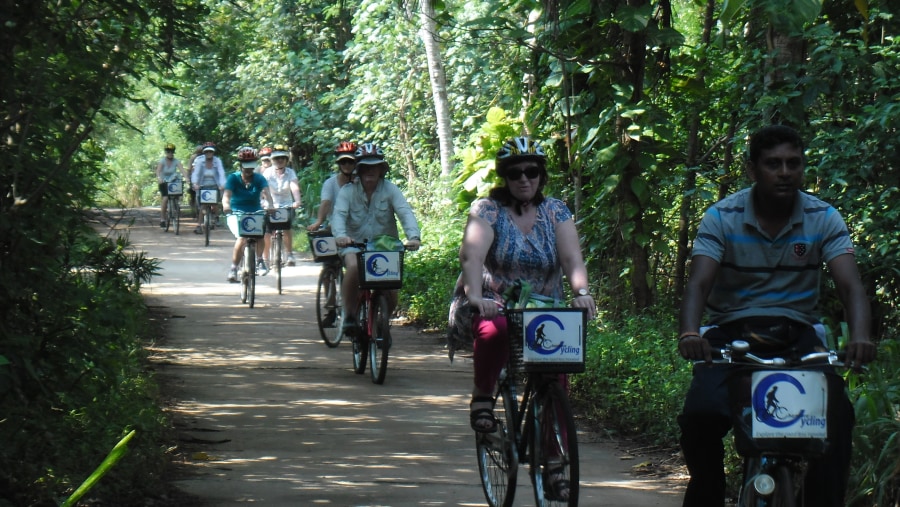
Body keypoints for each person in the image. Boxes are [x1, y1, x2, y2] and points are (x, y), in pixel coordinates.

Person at [676, 124, 877, 507]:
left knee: (837, 417)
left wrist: (860, 338)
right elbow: (699, 284)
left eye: (793, 163)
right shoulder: (723, 217)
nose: (784, 172)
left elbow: (851, 286)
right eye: (773, 164)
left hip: (798, 332)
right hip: (730, 332)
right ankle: (708, 494)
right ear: (753, 169)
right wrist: (690, 333)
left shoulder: (823, 217)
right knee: (701, 416)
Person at [447, 136, 596, 501]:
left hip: (544, 306)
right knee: (494, 331)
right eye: (515, 174)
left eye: (531, 172)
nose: (524, 179)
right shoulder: (488, 210)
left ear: (541, 176)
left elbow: (572, 260)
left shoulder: (556, 211)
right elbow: (473, 256)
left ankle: (554, 463)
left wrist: (581, 293)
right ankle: (483, 399)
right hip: (496, 302)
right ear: (505, 178)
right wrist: (476, 297)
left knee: (556, 377)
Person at [331, 142, 421, 337]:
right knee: (354, 267)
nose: (370, 171)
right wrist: (340, 236)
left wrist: (413, 237)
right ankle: (350, 316)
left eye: (375, 166)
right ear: (359, 169)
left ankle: (383, 320)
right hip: (354, 244)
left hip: (384, 245)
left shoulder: (391, 190)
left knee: (391, 289)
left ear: (381, 169)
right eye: (365, 167)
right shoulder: (347, 191)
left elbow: (405, 212)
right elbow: (338, 215)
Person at [222, 147, 274, 282]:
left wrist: (271, 205)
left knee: (260, 234)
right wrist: (226, 206)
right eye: (246, 166)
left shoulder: (259, 178)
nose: (249, 170)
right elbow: (226, 195)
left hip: (255, 211)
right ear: (241, 165)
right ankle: (233, 268)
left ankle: (260, 260)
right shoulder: (233, 178)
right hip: (236, 212)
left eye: (251, 165)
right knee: (242, 237)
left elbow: (267, 193)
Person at [262, 145, 302, 267]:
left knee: (287, 228)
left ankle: (289, 254)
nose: (280, 160)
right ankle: (265, 258)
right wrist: (264, 202)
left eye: (282, 158)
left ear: (286, 160)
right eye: (277, 158)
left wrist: (297, 201)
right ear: (273, 160)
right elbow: (263, 188)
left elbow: (294, 186)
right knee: (267, 232)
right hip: (270, 205)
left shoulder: (290, 173)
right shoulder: (267, 173)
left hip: (286, 204)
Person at [306, 141, 357, 232]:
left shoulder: (362, 182)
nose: (347, 165)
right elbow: (326, 203)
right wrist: (319, 222)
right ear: (338, 164)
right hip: (336, 227)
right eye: (343, 162)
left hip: (359, 227)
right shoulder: (330, 183)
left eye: (350, 161)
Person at [191, 142, 227, 234]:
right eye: (207, 152)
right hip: (202, 185)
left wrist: (222, 184)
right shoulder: (199, 161)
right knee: (203, 205)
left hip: (215, 184)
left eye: (211, 152)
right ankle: (199, 225)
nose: (209, 153)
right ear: (204, 152)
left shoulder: (217, 161)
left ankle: (215, 217)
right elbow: (196, 173)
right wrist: (195, 183)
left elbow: (221, 173)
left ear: (213, 152)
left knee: (214, 204)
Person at [155, 143, 186, 228]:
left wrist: (187, 178)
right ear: (166, 152)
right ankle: (162, 219)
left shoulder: (176, 161)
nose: (170, 153)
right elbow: (158, 171)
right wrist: (159, 178)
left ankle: (176, 206)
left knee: (177, 194)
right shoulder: (162, 161)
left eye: (172, 151)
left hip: (173, 181)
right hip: (164, 182)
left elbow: (182, 170)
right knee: (165, 198)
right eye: (168, 151)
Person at [185, 144, 203, 218]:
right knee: (193, 194)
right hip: (195, 178)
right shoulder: (193, 157)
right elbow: (189, 168)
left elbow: (188, 168)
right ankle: (195, 210)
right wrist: (188, 177)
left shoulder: (194, 157)